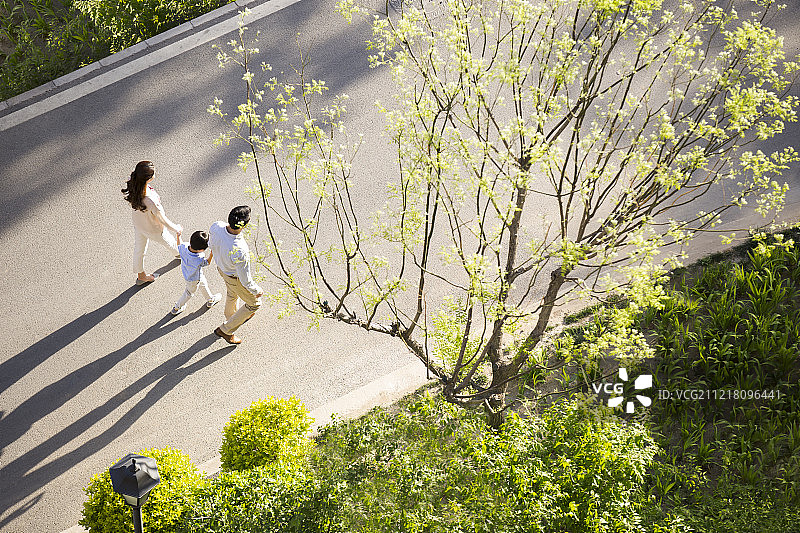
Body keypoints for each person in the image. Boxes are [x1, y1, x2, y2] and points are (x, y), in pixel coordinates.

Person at [208, 206, 262, 344]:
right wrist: (256, 290)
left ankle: (232, 316)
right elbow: (245, 280)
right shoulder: (240, 249)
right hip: (234, 277)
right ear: (245, 225)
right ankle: (226, 330)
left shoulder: (216, 226)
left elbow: (211, 244)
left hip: (222, 270)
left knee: (232, 294)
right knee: (254, 304)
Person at [122, 161, 182, 285]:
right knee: (168, 241)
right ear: (148, 179)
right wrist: (176, 228)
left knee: (139, 249)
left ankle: (141, 276)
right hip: (152, 228)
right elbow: (162, 219)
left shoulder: (132, 181)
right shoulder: (150, 200)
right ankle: (180, 254)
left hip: (139, 223)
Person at [172, 230, 222, 315]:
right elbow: (207, 263)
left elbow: (179, 244)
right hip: (194, 278)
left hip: (188, 273)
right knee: (189, 293)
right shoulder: (199, 257)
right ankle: (177, 307)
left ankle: (210, 299)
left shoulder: (184, 247)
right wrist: (212, 254)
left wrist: (178, 236)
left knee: (203, 284)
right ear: (202, 249)